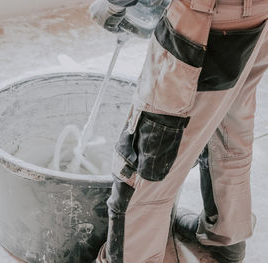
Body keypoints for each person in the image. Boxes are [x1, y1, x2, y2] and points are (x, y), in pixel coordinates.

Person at [89, 0, 268, 262]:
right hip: (259, 18)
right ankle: (224, 239)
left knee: (150, 160)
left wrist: (114, 4)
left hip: (203, 22)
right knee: (227, 128)